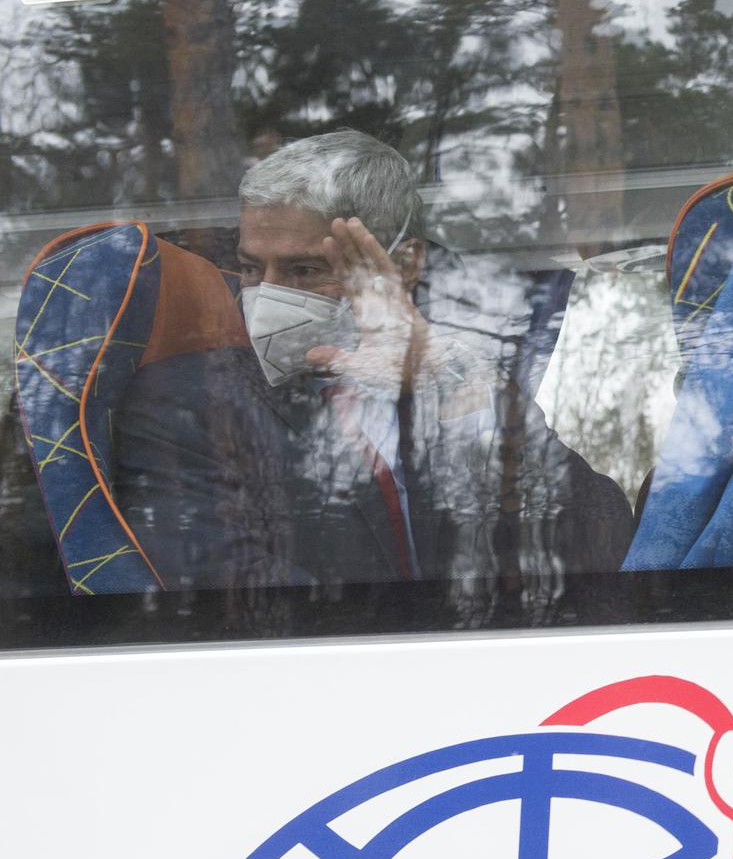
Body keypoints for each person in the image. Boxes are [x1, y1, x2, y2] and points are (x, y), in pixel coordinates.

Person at [109, 129, 633, 592]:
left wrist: (460, 397)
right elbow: (235, 599)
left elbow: (605, 547)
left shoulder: (447, 379)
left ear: (404, 264)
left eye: (305, 270)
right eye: (250, 268)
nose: (265, 298)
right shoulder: (183, 405)